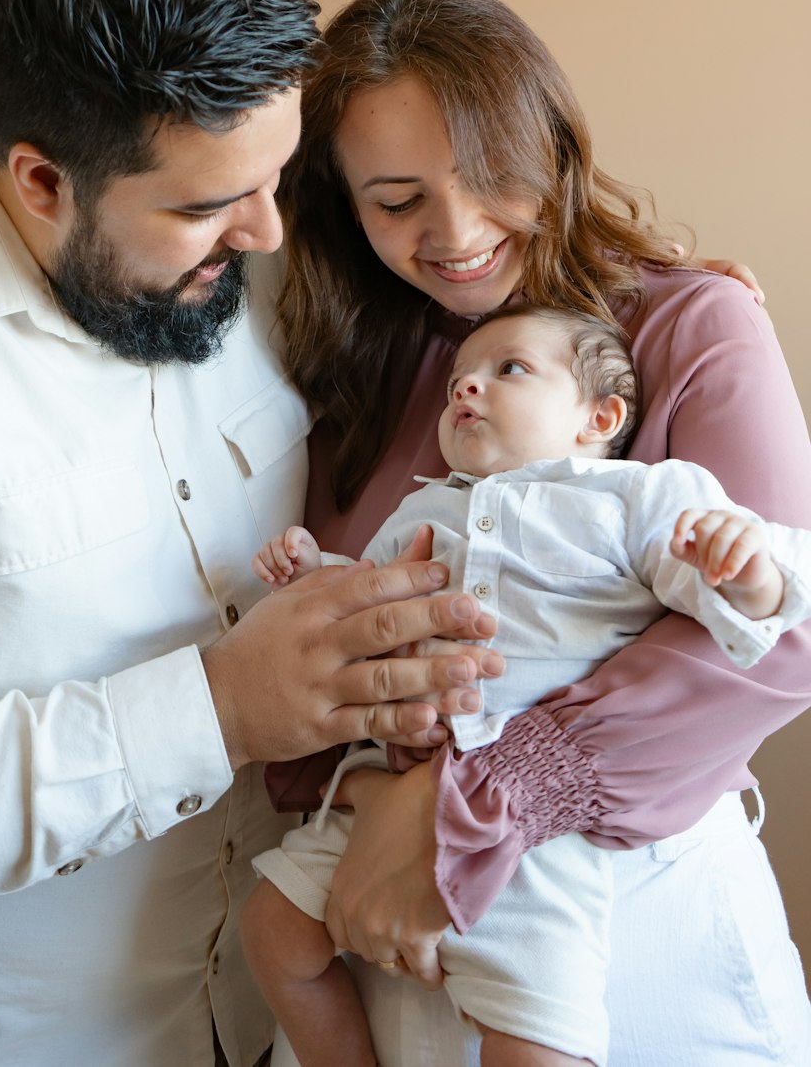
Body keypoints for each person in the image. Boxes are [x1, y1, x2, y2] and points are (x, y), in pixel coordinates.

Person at [0, 0, 504, 1067]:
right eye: (212, 206)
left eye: (277, 181)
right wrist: (218, 708)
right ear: (40, 181)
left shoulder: (245, 223)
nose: (271, 238)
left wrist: (675, 319)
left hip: (277, 1011)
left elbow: (475, 277)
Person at [267, 0, 811, 1066]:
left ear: (551, 144)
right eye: (395, 198)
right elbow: (306, 674)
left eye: (489, 173)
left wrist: (476, 803)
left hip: (631, 949)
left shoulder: (685, 324)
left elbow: (780, 643)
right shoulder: (357, 380)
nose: (455, 230)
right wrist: (378, 787)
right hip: (382, 957)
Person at [243, 304, 811, 1067]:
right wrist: (313, 575)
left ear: (599, 415)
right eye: (456, 383)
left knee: (536, 1042)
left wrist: (748, 576)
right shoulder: (423, 508)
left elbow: (729, 607)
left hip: (541, 843)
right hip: (387, 788)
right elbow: (362, 604)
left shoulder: (633, 497)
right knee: (272, 935)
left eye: (507, 370)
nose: (467, 388)